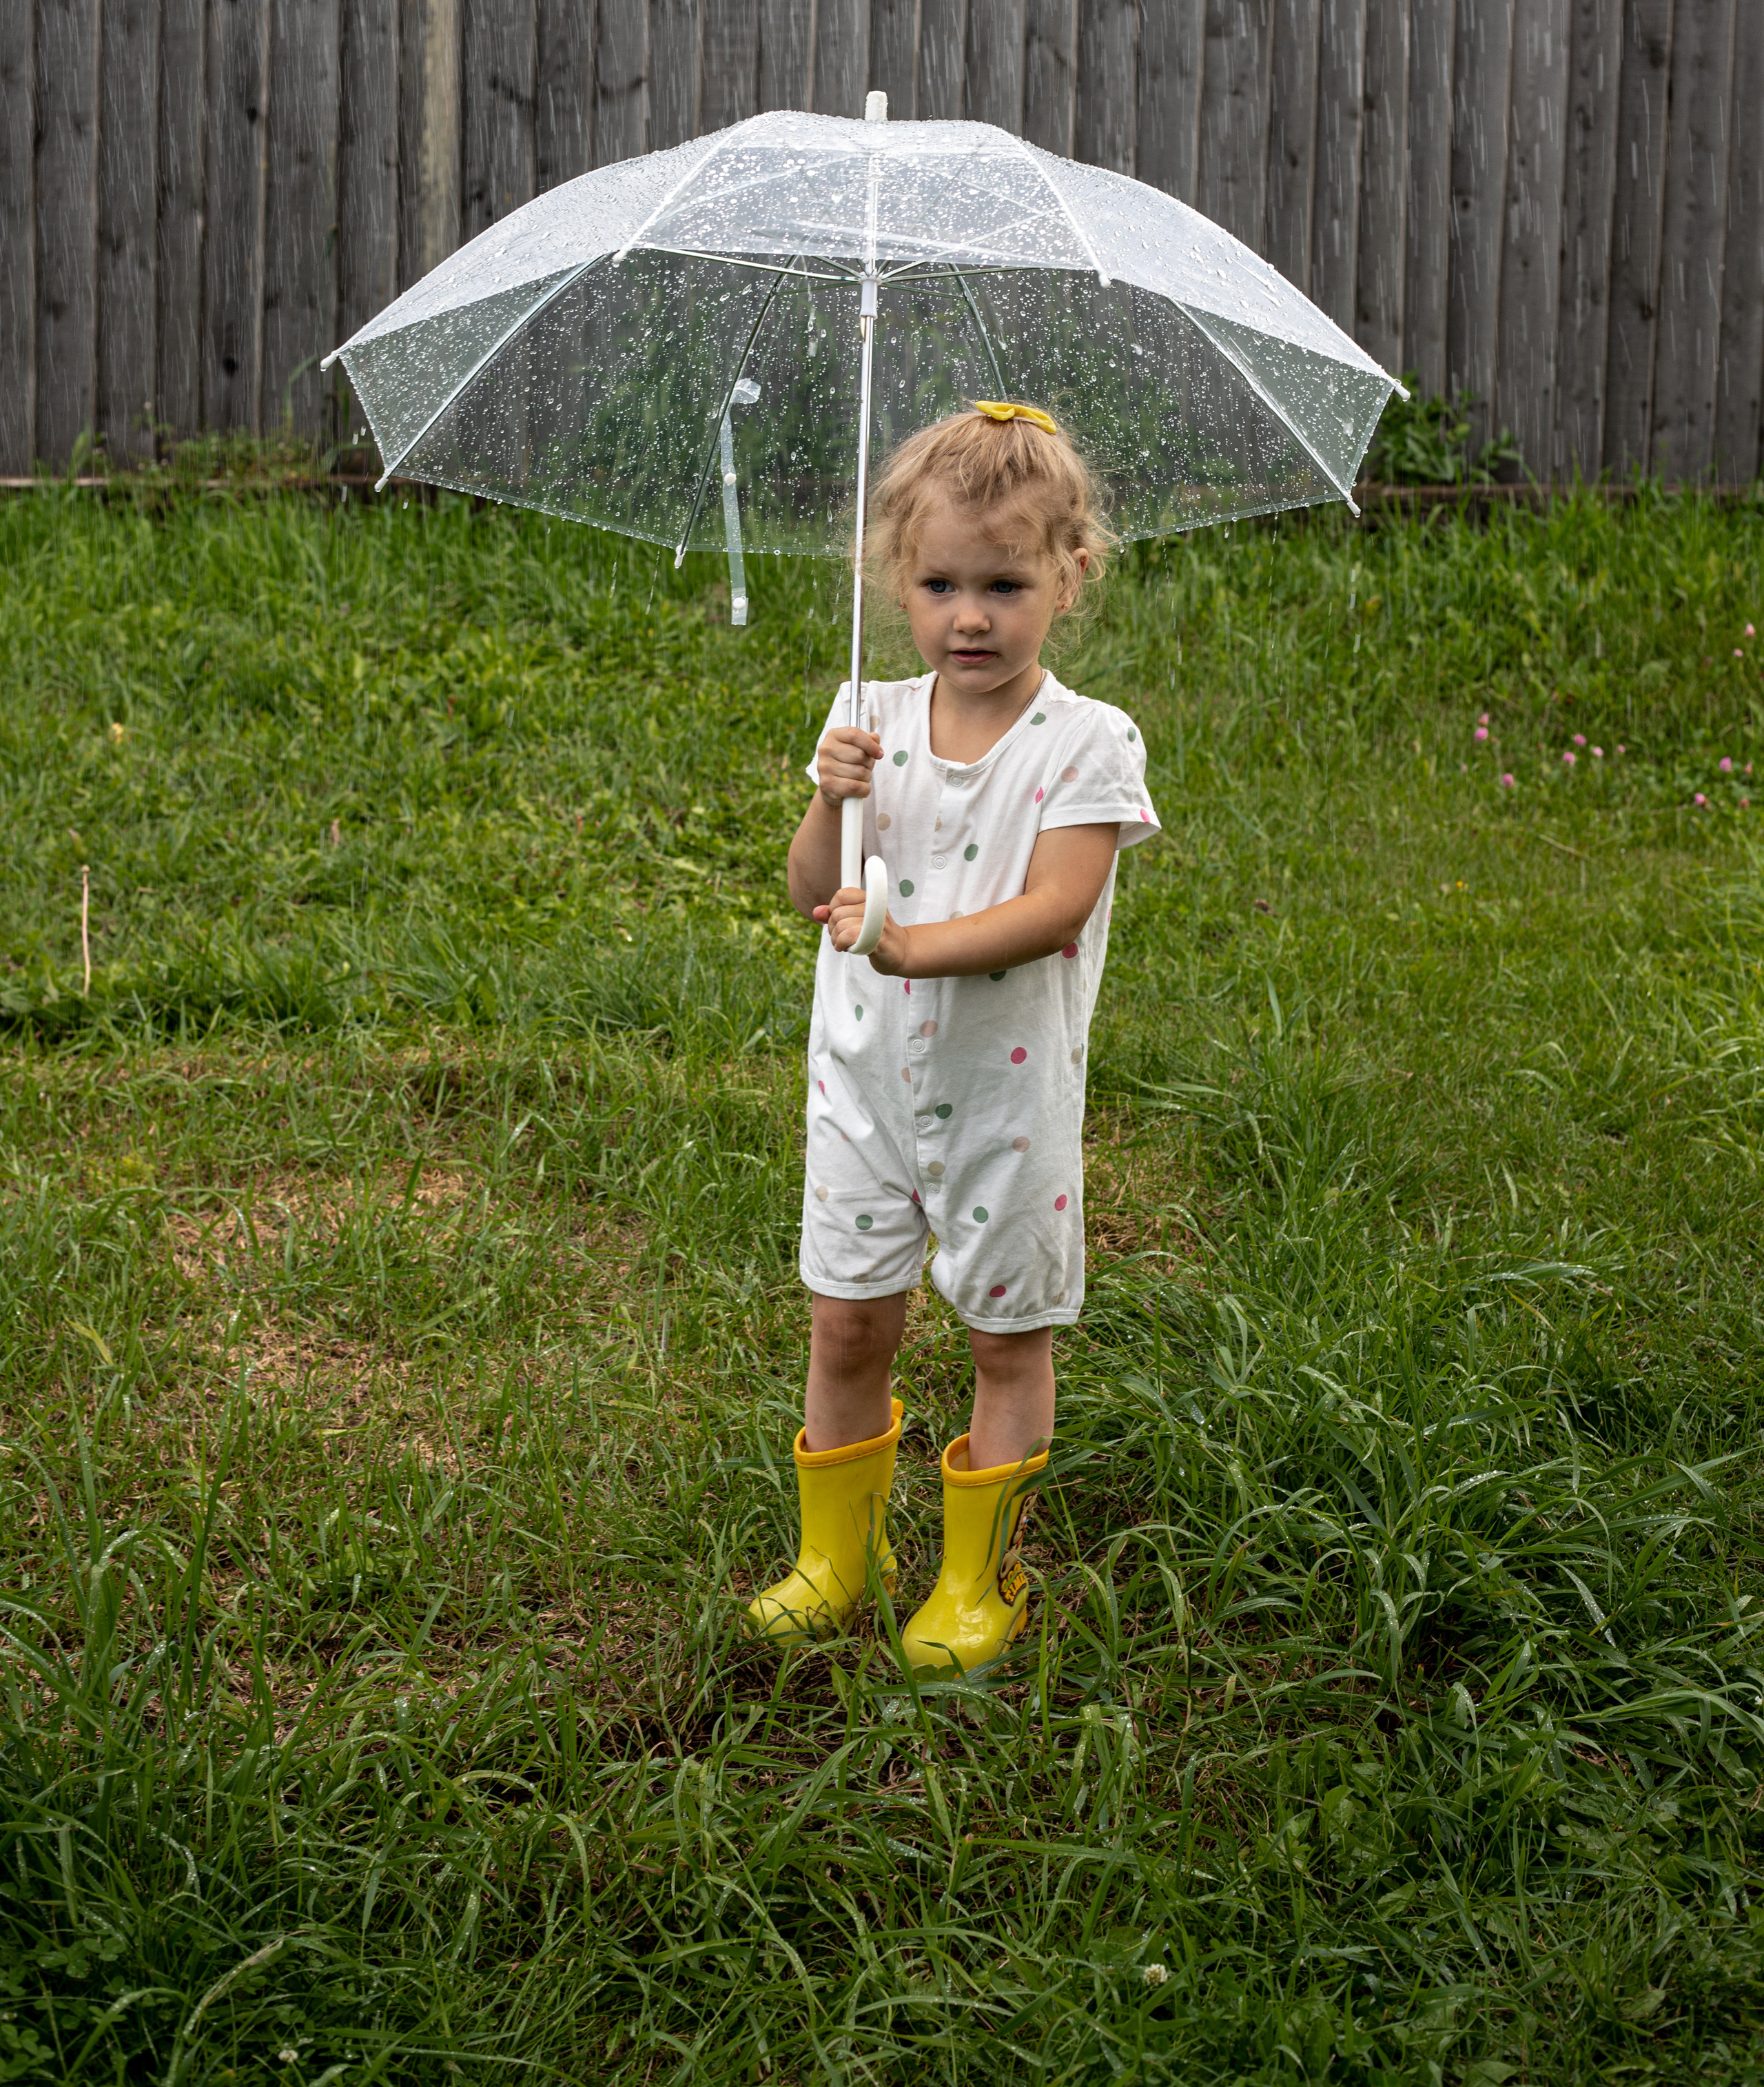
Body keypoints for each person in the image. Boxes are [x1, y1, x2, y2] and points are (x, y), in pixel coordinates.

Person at [745, 401, 1162, 1676]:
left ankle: (983, 1578)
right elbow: (813, 886)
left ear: (1069, 579)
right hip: (864, 1085)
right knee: (849, 1322)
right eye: (937, 584)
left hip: (1003, 1098)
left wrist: (910, 944)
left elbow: (1055, 908)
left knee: (1002, 1333)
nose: (968, 615)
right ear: (895, 582)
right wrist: (831, 796)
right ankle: (839, 1557)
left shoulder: (1087, 743)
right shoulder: (869, 716)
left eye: (1004, 583)